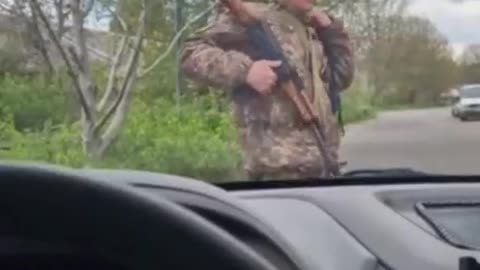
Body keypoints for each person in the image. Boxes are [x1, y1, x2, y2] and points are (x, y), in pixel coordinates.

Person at [181, 0, 354, 180]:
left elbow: (341, 78)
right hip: (275, 170)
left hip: (323, 164)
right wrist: (246, 71)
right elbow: (191, 55)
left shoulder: (312, 26)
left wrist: (330, 30)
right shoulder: (252, 16)